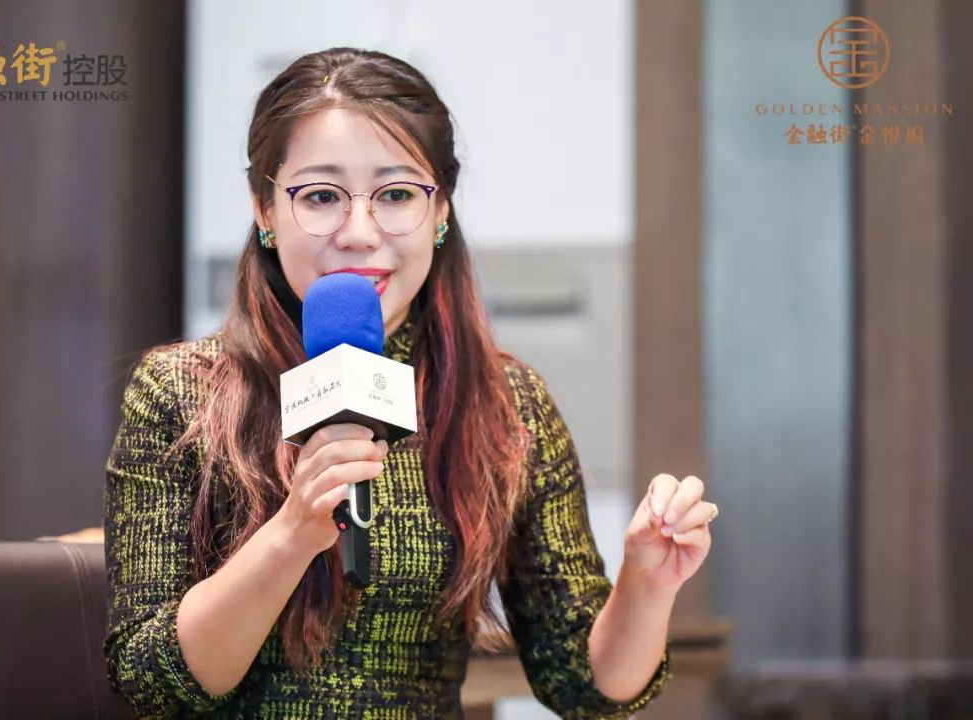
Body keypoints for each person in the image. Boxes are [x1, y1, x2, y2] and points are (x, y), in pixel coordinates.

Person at [103, 46, 718, 719]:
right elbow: (150, 681)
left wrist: (646, 584)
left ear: (441, 209)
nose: (360, 233)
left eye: (396, 195)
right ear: (265, 210)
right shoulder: (182, 392)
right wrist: (291, 535)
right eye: (321, 197)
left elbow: (584, 685)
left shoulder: (505, 403)